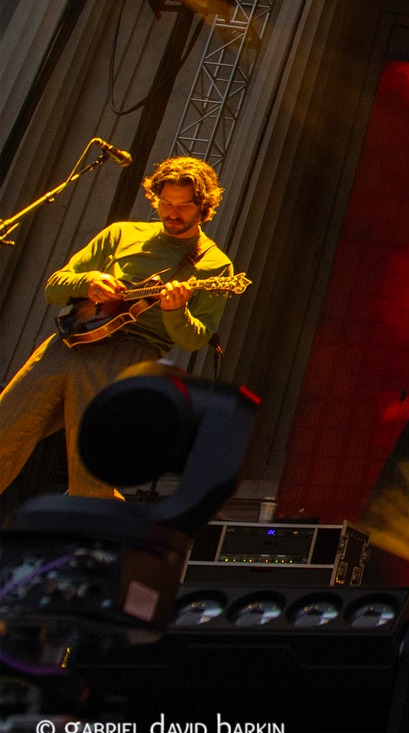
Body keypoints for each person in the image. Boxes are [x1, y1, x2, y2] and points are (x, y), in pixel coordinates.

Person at [0, 156, 235, 498]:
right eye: (165, 204)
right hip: (68, 344)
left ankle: (90, 545)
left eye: (183, 207)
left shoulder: (214, 264)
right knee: (6, 431)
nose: (172, 213)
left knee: (90, 472)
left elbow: (194, 338)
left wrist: (176, 310)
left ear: (204, 206)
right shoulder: (122, 233)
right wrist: (88, 281)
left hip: (129, 354)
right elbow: (55, 286)